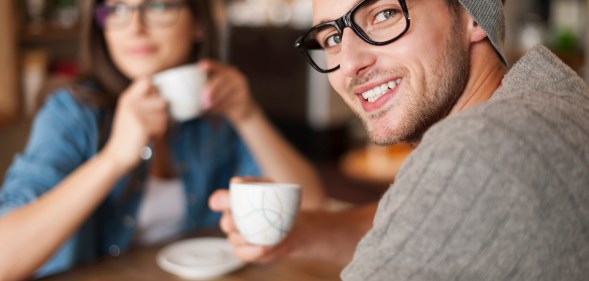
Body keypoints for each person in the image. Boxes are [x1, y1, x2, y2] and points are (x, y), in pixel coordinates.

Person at [211, 0, 589, 279]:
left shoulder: (477, 147)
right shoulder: (545, 100)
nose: (350, 63)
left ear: (472, 14)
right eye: (331, 38)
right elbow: (430, 221)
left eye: (383, 14)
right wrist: (303, 233)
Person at [0, 0, 326, 279]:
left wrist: (247, 115)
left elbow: (309, 205)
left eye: (156, 5)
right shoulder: (72, 113)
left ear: (198, 23)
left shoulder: (213, 111)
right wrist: (114, 157)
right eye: (118, 8)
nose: (135, 26)